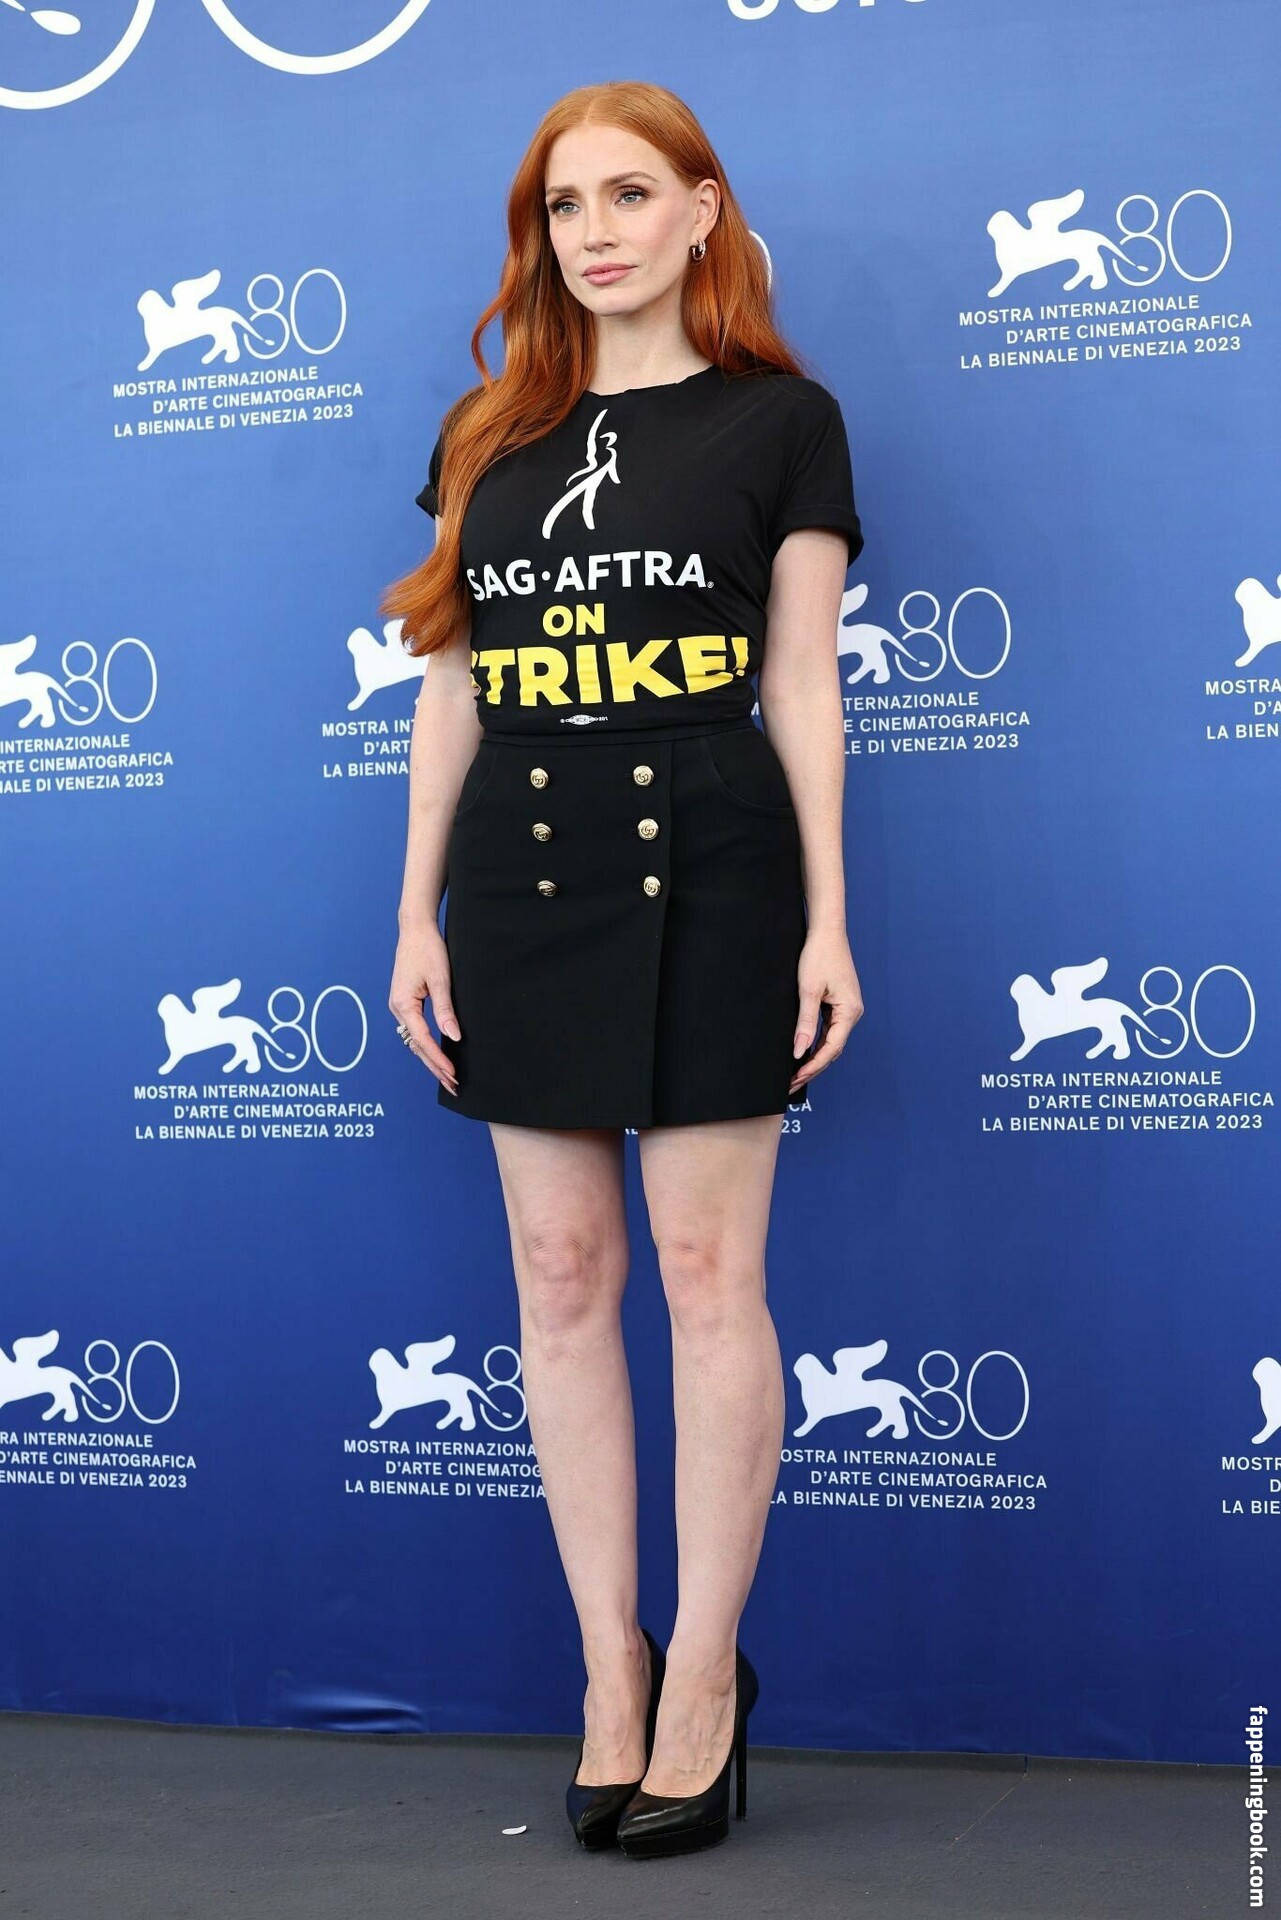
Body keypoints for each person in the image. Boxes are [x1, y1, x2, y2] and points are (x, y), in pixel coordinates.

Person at [381, 79, 866, 1859]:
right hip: (523, 872)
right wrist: (414, 915)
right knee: (561, 1274)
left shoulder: (782, 421)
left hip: (717, 864)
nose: (594, 233)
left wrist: (827, 918)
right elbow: (452, 685)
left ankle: (706, 1683)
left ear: (700, 210)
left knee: (706, 1275)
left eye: (629, 194)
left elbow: (800, 685)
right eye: (563, 206)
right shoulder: (488, 432)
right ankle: (610, 1672)